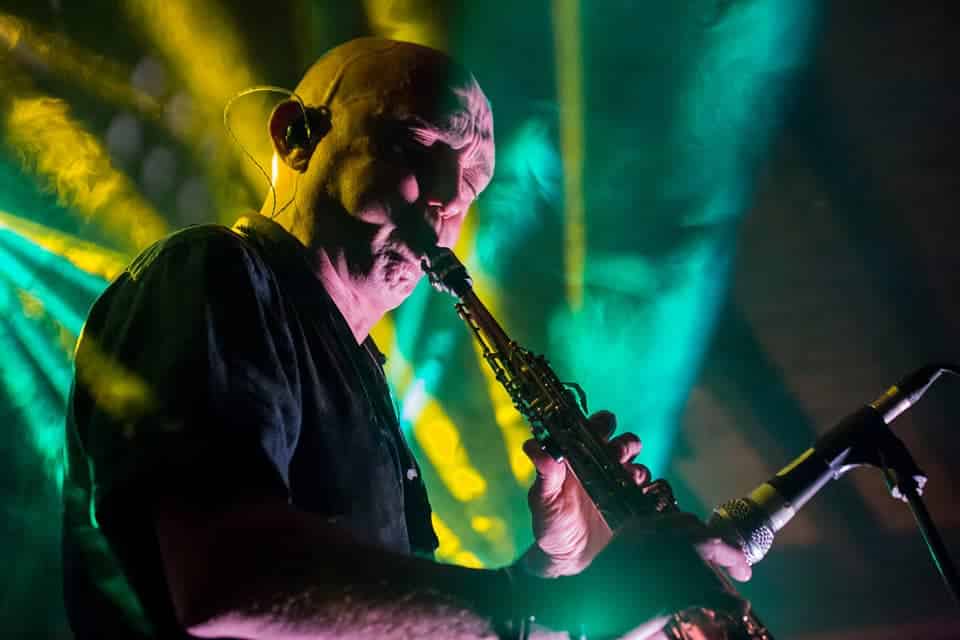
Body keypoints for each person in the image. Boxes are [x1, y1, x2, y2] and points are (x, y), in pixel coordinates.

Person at [62, 37, 750, 639]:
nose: (449, 199)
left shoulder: (363, 376)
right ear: (296, 136)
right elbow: (224, 575)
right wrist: (545, 607)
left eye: (473, 180)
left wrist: (558, 568)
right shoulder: (214, 271)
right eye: (419, 144)